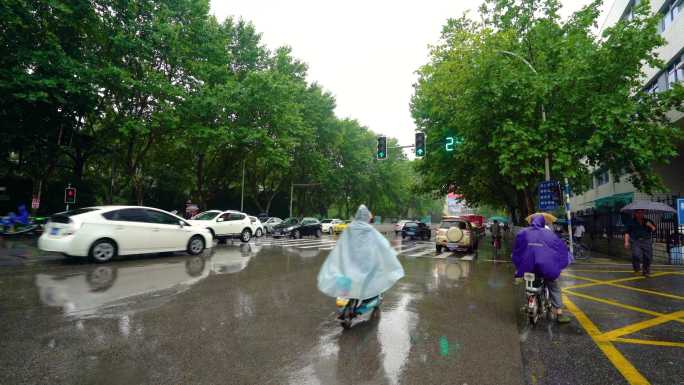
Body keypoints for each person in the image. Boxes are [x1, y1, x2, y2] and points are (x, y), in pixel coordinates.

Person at [317, 205, 405, 302]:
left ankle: (350, 298)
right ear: (366, 217)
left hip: (350, 260)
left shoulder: (349, 228)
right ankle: (364, 298)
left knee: (348, 279)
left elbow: (342, 244)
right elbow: (381, 243)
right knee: (371, 278)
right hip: (365, 261)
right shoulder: (369, 229)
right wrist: (390, 252)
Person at [512, 214, 572, 323]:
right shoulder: (549, 234)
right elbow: (559, 248)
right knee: (554, 287)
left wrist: (519, 263)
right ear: (543, 222)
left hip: (528, 268)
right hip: (546, 268)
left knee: (529, 284)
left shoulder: (523, 232)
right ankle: (559, 313)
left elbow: (517, 249)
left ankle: (531, 300)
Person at [624, 209, 656, 277]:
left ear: (644, 213)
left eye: (642, 213)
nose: (640, 214)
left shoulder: (648, 221)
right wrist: (626, 242)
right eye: (638, 213)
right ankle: (637, 269)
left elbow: (654, 229)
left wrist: (650, 225)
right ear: (635, 213)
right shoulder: (631, 222)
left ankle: (646, 271)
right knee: (636, 255)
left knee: (648, 257)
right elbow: (627, 232)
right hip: (635, 241)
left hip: (646, 241)